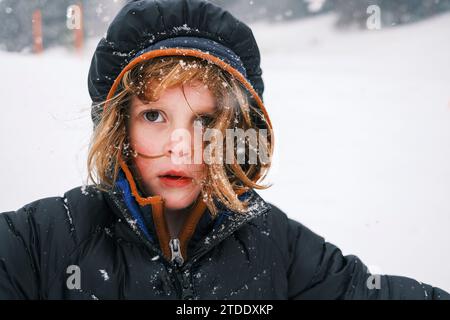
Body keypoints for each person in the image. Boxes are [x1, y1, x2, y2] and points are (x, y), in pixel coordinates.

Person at [0, 0, 448, 300]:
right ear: (120, 128)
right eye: (155, 116)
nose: (181, 148)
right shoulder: (45, 241)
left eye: (206, 121)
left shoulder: (281, 250)